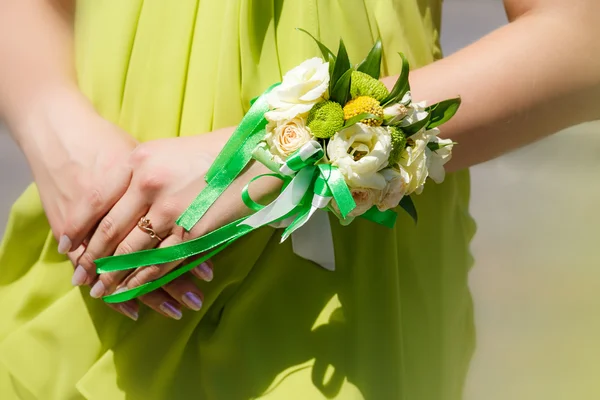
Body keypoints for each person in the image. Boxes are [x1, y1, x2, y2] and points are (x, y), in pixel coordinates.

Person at [0, 0, 598, 399]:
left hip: (332, 318)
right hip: (88, 266)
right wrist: (55, 132)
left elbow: (581, 41)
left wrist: (270, 158)